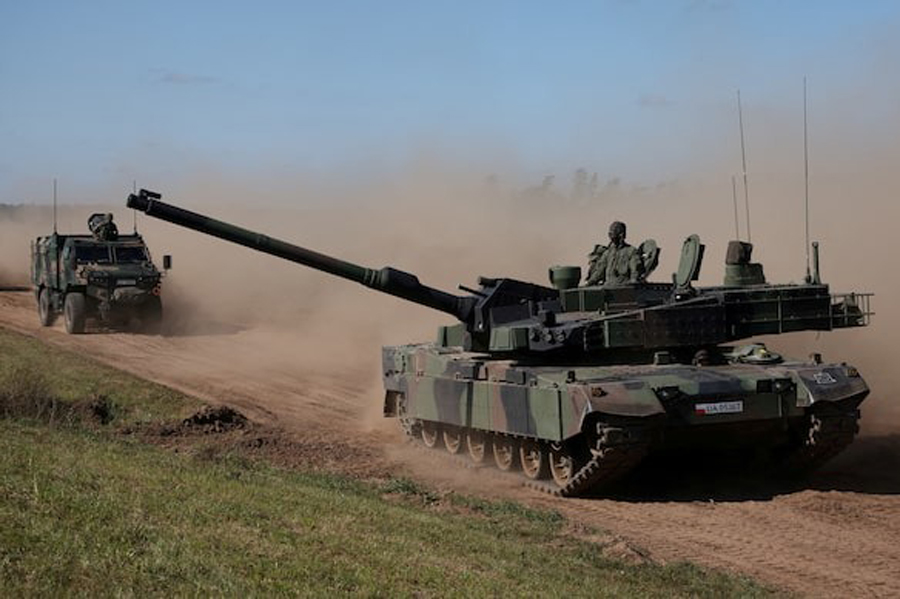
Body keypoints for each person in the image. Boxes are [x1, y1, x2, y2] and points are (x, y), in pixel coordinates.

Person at [585, 221, 643, 286]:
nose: (610, 236)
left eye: (612, 232)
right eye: (610, 233)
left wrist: (633, 280)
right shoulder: (607, 253)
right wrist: (590, 282)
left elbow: (635, 270)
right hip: (608, 287)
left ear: (621, 234)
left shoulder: (631, 251)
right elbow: (599, 272)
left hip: (623, 287)